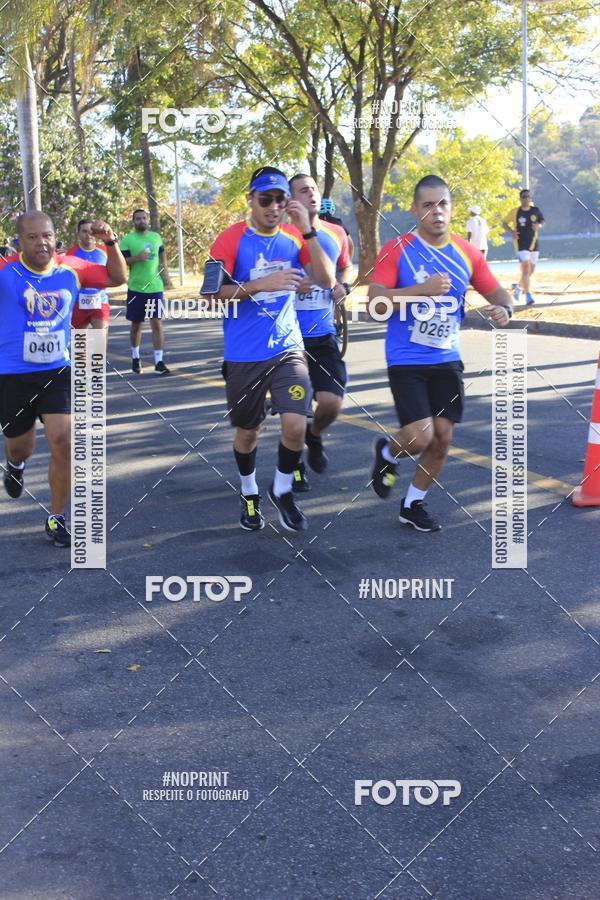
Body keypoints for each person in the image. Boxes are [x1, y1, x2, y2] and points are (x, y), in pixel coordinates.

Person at [368, 174, 513, 532]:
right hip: (406, 358)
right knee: (421, 436)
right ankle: (387, 454)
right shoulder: (396, 248)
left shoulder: (467, 253)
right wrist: (422, 289)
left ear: (451, 209)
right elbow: (375, 304)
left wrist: (504, 310)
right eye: (428, 205)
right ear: (415, 209)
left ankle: (412, 504)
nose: (437, 212)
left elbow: (501, 295)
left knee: (443, 437)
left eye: (443, 204)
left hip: (446, 358)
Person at [206, 165, 335, 532]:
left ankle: (282, 490)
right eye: (266, 199)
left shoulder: (296, 237)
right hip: (244, 354)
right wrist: (262, 284)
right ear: (251, 200)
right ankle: (249, 493)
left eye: (280, 199)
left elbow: (325, 280)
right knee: (249, 433)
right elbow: (212, 294)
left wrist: (308, 228)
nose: (274, 206)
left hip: (287, 349)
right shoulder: (229, 240)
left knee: (295, 423)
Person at [0, 211, 126, 545]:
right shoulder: (5, 271)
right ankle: (14, 465)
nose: (41, 242)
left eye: (47, 236)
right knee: (20, 446)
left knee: (63, 440)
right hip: (12, 374)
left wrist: (110, 242)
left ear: (55, 237)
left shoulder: (71, 266)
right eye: (32, 237)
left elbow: (116, 277)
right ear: (19, 241)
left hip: (56, 369)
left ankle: (57, 517)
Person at [288, 174, 352, 490]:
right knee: (296, 410)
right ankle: (294, 464)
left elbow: (345, 265)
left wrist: (343, 285)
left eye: (313, 189)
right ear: (291, 200)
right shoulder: (282, 235)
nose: (311, 194)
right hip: (287, 340)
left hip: (323, 334)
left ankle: (315, 437)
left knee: (331, 403)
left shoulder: (336, 232)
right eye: (303, 190)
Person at [119, 209, 170, 374]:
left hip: (155, 288)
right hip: (136, 288)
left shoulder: (155, 237)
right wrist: (137, 258)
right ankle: (135, 357)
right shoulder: (128, 240)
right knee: (137, 325)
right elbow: (120, 262)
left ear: (147, 220)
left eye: (144, 218)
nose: (141, 220)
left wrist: (165, 271)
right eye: (138, 219)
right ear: (133, 221)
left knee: (157, 323)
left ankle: (159, 362)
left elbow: (162, 253)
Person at [503, 188, 545, 306]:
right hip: (521, 244)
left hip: (534, 243)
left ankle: (518, 286)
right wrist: (512, 232)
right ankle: (528, 296)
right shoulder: (515, 212)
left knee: (531, 270)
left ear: (530, 198)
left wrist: (539, 226)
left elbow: (542, 221)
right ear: (520, 199)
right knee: (525, 269)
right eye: (524, 197)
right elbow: (504, 223)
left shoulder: (535, 210)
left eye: (528, 196)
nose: (526, 199)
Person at [67, 219, 110, 331]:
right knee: (79, 346)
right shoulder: (70, 254)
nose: (88, 234)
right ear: (78, 234)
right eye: (84, 231)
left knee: (99, 344)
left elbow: (114, 273)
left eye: (91, 231)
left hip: (100, 302)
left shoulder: (105, 251)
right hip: (78, 303)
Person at [319, 197, 355, 262]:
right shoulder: (339, 223)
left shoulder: (315, 223)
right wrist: (348, 262)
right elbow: (351, 245)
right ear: (332, 208)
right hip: (337, 261)